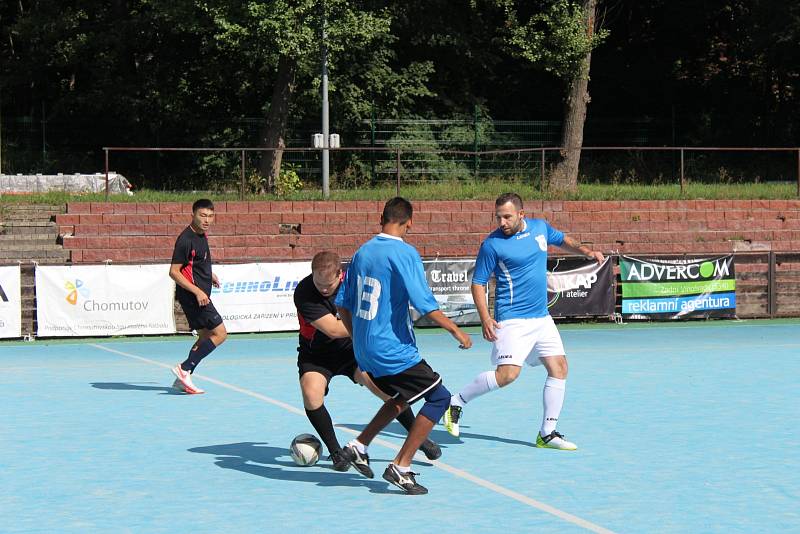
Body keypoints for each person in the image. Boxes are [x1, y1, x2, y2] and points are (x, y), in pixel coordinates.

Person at [443, 192, 604, 450]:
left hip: (541, 317)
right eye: (498, 217)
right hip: (512, 319)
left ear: (521, 214)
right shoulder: (492, 245)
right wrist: (485, 318)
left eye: (507, 217)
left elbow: (562, 239)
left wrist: (585, 250)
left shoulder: (540, 228)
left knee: (559, 368)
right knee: (506, 376)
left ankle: (547, 433)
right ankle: (456, 401)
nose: (502, 223)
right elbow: (478, 283)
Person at [335, 197, 472, 495]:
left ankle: (358, 445)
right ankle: (402, 466)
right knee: (439, 398)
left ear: (380, 217)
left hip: (364, 348)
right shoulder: (405, 253)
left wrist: (358, 337)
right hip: (391, 348)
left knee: (401, 396)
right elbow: (424, 303)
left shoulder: (362, 252)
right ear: (410, 221)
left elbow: (342, 305)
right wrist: (455, 330)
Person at [294, 250, 443, 471]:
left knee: (384, 391)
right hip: (317, 355)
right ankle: (337, 453)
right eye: (319, 283)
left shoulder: (356, 283)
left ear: (340, 274)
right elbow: (334, 329)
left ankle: (419, 438)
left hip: (354, 350)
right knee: (310, 393)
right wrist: (372, 323)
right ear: (312, 274)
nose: (323, 289)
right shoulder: (304, 292)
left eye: (329, 284)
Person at [168, 198, 228, 394]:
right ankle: (184, 368)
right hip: (194, 297)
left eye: (210, 216)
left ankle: (183, 379)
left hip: (198, 294)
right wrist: (198, 291)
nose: (207, 220)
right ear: (193, 215)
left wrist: (209, 275)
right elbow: (174, 272)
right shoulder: (185, 240)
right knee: (220, 334)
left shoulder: (202, 235)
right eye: (202, 215)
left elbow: (195, 264)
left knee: (204, 337)